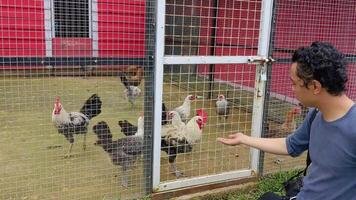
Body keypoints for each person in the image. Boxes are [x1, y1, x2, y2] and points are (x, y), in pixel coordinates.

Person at [217, 41, 356, 200]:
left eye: (294, 83)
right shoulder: (315, 114)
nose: (292, 89)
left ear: (315, 86)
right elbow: (291, 145)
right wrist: (244, 138)